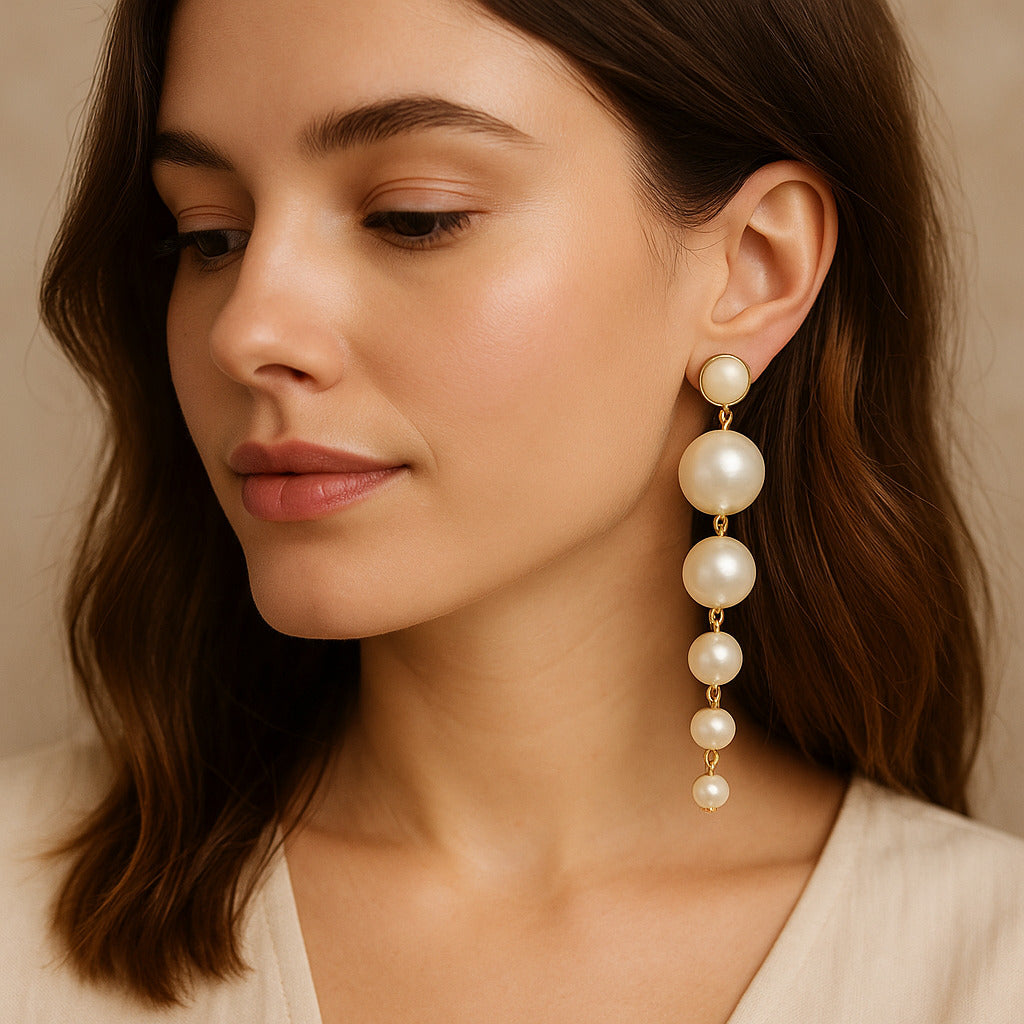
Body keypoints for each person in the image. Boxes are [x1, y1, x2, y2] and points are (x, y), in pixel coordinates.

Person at [2, 0, 1023, 1020]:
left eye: (414, 215)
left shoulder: (984, 965)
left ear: (754, 265)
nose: (247, 328)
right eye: (209, 235)